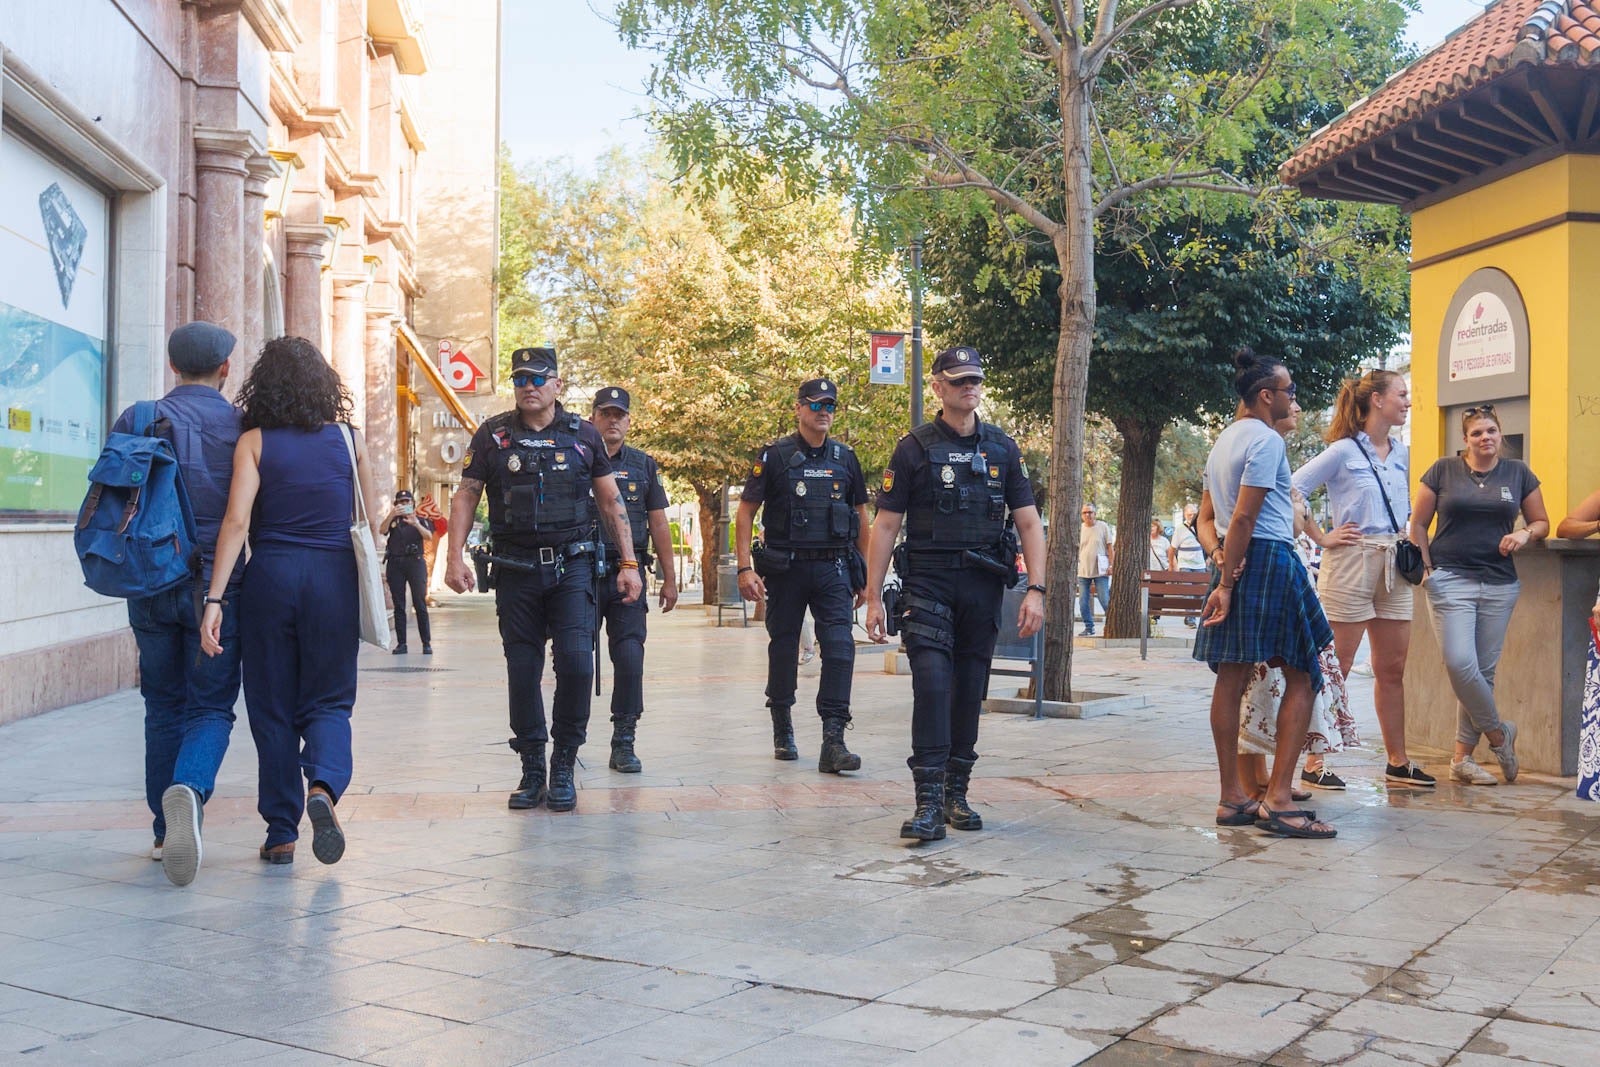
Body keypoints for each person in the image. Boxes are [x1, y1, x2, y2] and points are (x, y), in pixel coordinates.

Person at [444, 348, 642, 812]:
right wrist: (453, 557)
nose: (528, 386)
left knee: (576, 663)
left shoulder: (583, 435)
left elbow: (612, 502)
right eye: (520, 379)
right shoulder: (493, 435)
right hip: (515, 569)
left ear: (557, 384)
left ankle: (565, 763)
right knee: (523, 669)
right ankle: (532, 766)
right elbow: (467, 495)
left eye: (538, 378)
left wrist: (629, 564)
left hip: (572, 567)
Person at [201, 335, 373, 867]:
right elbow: (368, 517)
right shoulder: (350, 439)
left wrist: (214, 598)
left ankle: (281, 832)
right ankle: (323, 785)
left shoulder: (253, 441)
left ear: (263, 387)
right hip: (332, 577)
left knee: (272, 707)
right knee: (328, 699)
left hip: (269, 576)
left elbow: (236, 523)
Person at [865, 346, 1047, 841]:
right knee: (931, 685)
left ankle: (955, 794)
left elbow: (1029, 522)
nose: (970, 387)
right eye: (959, 380)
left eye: (975, 380)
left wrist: (1037, 589)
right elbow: (885, 525)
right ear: (939, 387)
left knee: (970, 691)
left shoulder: (1003, 450)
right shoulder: (913, 449)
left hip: (982, 588)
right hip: (928, 583)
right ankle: (926, 803)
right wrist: (872, 592)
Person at [115, 322, 243, 887]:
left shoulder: (139, 417)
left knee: (161, 703)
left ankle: (164, 832)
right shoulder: (242, 427)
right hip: (217, 588)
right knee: (210, 706)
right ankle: (188, 790)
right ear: (224, 370)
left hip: (150, 582)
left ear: (172, 367)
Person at [1195, 347, 1336, 839]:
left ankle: (1232, 796)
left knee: (1231, 677)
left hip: (1238, 560)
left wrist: (1224, 572)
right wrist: (1229, 584)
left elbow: (1210, 519)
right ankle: (1277, 801)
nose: (1292, 398)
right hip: (1269, 557)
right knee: (1305, 674)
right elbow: (1245, 518)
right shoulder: (1267, 441)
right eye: (1289, 391)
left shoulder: (1222, 442)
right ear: (1265, 395)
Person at [1291, 369, 1433, 791]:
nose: (1407, 402)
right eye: (1401, 394)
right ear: (1377, 400)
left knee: (1392, 667)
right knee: (1337, 665)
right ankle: (1314, 760)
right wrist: (1320, 535)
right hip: (1351, 560)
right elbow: (1292, 488)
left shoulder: (1403, 453)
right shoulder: (1341, 451)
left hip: (1393, 561)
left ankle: (1398, 761)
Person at [736, 377, 871, 772]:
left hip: (833, 568)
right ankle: (782, 723)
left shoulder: (845, 458)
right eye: (815, 405)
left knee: (840, 647)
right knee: (783, 647)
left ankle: (834, 739)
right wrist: (745, 567)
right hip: (786, 567)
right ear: (798, 409)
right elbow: (746, 511)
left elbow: (862, 517)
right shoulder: (775, 456)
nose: (824, 411)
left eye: (829, 405)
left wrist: (864, 575)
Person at [1411, 403, 1548, 786]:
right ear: (1465, 440)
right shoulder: (1443, 470)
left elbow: (1541, 521)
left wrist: (1525, 533)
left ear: (1500, 433)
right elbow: (1418, 523)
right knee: (1459, 663)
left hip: (1500, 583)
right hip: (1450, 579)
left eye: (1491, 431)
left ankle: (1461, 760)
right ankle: (1500, 735)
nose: (1485, 438)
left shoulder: (1518, 472)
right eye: (1477, 433)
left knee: (1481, 675)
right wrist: (1426, 571)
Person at [589, 385, 678, 774]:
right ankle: (566, 739)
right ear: (593, 417)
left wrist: (670, 579)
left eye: (619, 415)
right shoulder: (576, 457)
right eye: (606, 413)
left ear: (628, 421)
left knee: (629, 656)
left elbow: (658, 522)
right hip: (580, 572)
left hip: (628, 573)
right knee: (572, 658)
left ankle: (624, 739)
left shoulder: (643, 465)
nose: (613, 420)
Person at [381, 489, 434, 655]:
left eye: (407, 502)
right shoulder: (393, 521)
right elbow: (382, 530)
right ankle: (401, 644)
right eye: (400, 502)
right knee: (399, 605)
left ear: (413, 504)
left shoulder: (421, 520)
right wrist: (391, 515)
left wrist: (415, 523)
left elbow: (429, 537)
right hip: (395, 563)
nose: (403, 505)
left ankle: (426, 643)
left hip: (415, 563)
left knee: (419, 603)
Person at [1078, 504, 1113, 636]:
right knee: (1082, 601)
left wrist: (1111, 565)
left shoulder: (1102, 527)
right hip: (1083, 571)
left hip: (1101, 570)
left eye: (1090, 512)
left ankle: (1111, 623)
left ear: (1095, 513)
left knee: (1104, 599)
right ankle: (1089, 627)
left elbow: (1110, 547)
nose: (1088, 515)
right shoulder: (1080, 528)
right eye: (1085, 513)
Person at [1170, 502, 1206, 627]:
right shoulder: (1180, 529)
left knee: (1200, 593)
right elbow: (1172, 549)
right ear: (1185, 515)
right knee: (1188, 592)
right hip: (1185, 564)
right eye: (1189, 514)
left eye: (1193, 514)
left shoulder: (1201, 526)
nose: (1191, 516)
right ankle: (1191, 618)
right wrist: (1172, 565)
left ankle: (1194, 616)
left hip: (1200, 564)